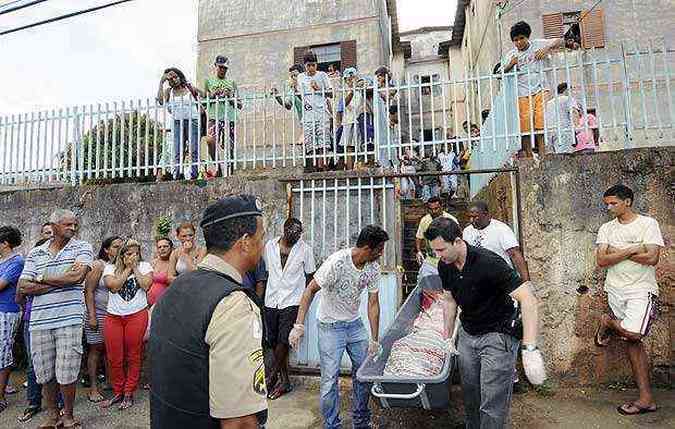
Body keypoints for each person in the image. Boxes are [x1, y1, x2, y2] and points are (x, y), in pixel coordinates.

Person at [150, 194, 268, 429]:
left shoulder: (176, 287)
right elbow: (240, 421)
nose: (264, 244)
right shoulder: (234, 304)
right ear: (245, 242)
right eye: (261, 236)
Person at [425, 217, 546, 428]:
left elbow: (528, 298)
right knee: (471, 396)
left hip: (497, 336)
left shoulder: (488, 263)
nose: (438, 255)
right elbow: (450, 300)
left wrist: (530, 348)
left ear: (457, 241)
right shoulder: (445, 266)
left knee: (492, 400)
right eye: (435, 251)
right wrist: (447, 337)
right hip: (468, 334)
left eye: (441, 249)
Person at [289, 225, 389, 429]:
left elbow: (373, 304)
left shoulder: (373, 268)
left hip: (354, 325)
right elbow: (309, 290)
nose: (381, 253)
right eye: (379, 249)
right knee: (329, 381)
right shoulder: (337, 262)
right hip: (330, 326)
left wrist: (375, 339)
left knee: (363, 374)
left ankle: (361, 422)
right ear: (368, 248)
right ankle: (332, 425)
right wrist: (298, 325)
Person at [18, 209, 94, 429]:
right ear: (54, 226)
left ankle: (68, 415)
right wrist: (61, 280)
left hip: (69, 319)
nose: (73, 228)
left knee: (67, 371)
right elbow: (24, 286)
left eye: (74, 224)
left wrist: (40, 278)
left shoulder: (82, 247)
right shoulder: (36, 253)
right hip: (40, 321)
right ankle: (53, 416)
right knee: (44, 372)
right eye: (68, 224)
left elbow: (77, 277)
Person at [594, 184, 663, 416]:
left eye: (613, 203)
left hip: (640, 289)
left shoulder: (648, 224)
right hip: (615, 289)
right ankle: (646, 399)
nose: (609, 207)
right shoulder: (606, 228)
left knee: (635, 334)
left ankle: (609, 323)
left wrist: (618, 251)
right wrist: (633, 249)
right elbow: (602, 261)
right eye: (607, 204)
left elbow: (652, 258)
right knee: (632, 343)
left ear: (628, 202)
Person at [263, 218, 316, 400]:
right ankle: (285, 382)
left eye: (298, 232)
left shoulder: (305, 250)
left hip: (292, 301)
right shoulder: (269, 246)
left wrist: (304, 302)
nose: (295, 235)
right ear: (284, 229)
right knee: (273, 341)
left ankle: (270, 378)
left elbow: (311, 278)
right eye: (292, 231)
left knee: (283, 341)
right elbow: (267, 273)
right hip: (271, 300)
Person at [101, 239, 153, 410]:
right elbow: (114, 286)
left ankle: (129, 391)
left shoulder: (145, 266)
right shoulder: (110, 268)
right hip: (113, 317)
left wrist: (135, 268)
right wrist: (128, 268)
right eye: (129, 253)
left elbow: (146, 285)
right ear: (122, 255)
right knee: (114, 357)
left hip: (137, 315)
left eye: (136, 253)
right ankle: (118, 391)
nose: (133, 256)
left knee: (133, 354)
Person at [502, 21, 564, 158]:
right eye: (515, 40)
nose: (519, 42)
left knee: (540, 119)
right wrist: (511, 65)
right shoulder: (511, 55)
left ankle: (542, 152)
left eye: (521, 38)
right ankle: (529, 154)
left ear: (527, 37)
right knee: (525, 123)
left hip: (541, 88)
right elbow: (499, 74)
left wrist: (547, 48)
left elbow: (560, 40)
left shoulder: (537, 44)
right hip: (522, 92)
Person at [83, 236, 123, 404]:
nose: (119, 249)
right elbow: (89, 291)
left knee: (110, 350)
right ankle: (93, 387)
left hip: (114, 314)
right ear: (106, 249)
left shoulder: (119, 266)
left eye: (121, 246)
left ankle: (110, 382)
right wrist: (92, 316)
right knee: (96, 350)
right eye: (115, 246)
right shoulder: (99, 265)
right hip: (97, 313)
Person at [463, 201, 530, 282]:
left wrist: (526, 282)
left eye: (475, 217)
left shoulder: (501, 229)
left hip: (501, 279)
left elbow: (515, 254)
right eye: (469, 217)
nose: (471, 220)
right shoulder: (467, 231)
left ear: (486, 214)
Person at [157, 67, 202, 180]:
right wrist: (161, 82)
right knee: (177, 150)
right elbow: (161, 100)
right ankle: (177, 174)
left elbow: (205, 95)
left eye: (175, 76)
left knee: (193, 149)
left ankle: (194, 175)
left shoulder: (189, 87)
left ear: (180, 76)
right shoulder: (169, 91)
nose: (173, 79)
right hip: (177, 122)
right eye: (170, 78)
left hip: (193, 121)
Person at [0, 226, 24, 415]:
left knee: (3, 352)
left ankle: (1, 396)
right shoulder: (3, 261)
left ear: (5, 243)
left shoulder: (16, 261)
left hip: (7, 311)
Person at [204, 55, 242, 176]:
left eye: (225, 68)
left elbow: (240, 104)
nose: (222, 70)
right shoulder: (208, 81)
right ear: (215, 66)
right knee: (210, 141)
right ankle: (218, 166)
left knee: (229, 146)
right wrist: (212, 95)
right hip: (213, 116)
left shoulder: (232, 83)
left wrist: (230, 97)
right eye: (220, 67)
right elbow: (204, 102)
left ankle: (231, 172)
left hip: (229, 117)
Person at [298, 50, 333, 172]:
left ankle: (323, 166)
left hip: (322, 113)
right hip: (308, 115)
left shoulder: (322, 75)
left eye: (313, 65)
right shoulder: (300, 77)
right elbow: (299, 95)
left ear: (316, 64)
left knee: (323, 142)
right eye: (308, 65)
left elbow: (331, 93)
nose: (311, 68)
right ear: (305, 65)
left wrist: (318, 89)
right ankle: (313, 168)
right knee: (310, 143)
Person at [415, 197, 459, 279]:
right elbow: (419, 237)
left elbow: (459, 240)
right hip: (430, 261)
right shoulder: (424, 220)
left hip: (448, 261)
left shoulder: (451, 220)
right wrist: (419, 251)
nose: (434, 211)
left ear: (442, 207)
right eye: (431, 209)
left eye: (436, 208)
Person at [545, 82, 581, 153]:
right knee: (565, 155)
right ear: (566, 90)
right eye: (571, 90)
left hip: (550, 131)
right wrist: (577, 128)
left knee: (554, 156)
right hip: (564, 131)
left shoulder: (549, 102)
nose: (573, 92)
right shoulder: (568, 98)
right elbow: (574, 112)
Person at [148, 237, 174, 306]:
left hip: (166, 303)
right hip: (149, 302)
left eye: (165, 246)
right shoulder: (154, 262)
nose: (162, 249)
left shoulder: (174, 263)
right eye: (159, 247)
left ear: (171, 248)